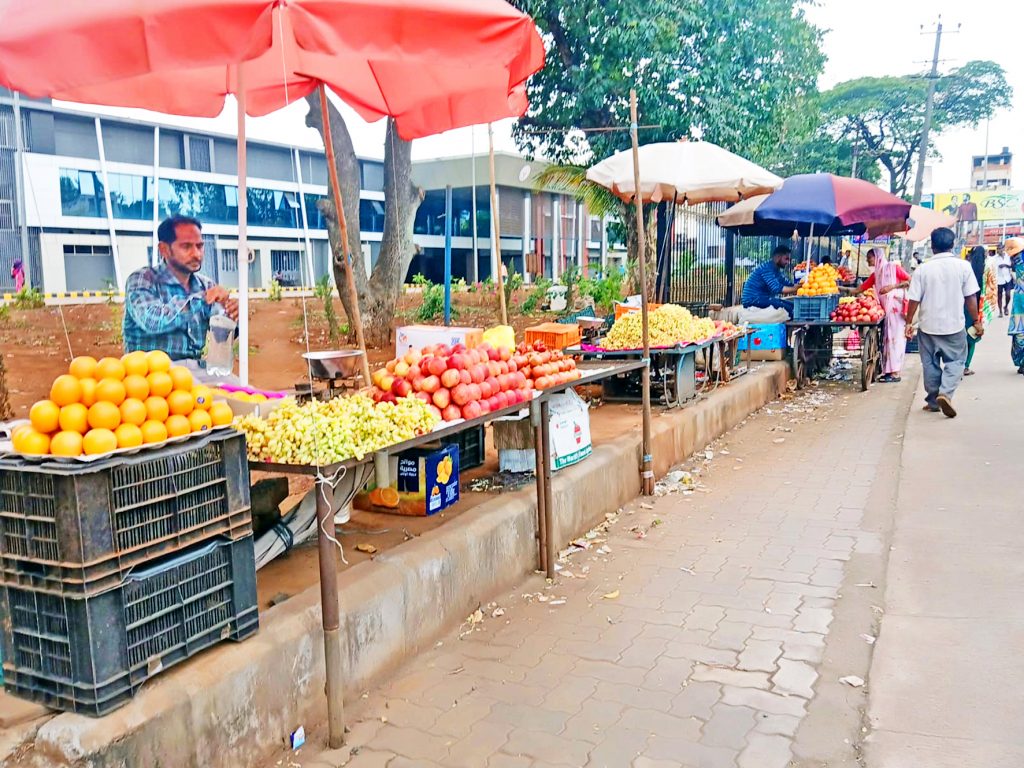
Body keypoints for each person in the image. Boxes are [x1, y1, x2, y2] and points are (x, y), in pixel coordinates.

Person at [123, 215, 239, 361]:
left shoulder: (205, 285)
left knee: (238, 384)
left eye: (199, 246)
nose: (196, 254)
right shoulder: (143, 279)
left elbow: (221, 337)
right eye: (186, 246)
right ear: (164, 249)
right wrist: (202, 299)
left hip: (192, 371)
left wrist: (230, 318)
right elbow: (152, 321)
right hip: (148, 373)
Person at [905, 227, 982, 418]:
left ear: (932, 246)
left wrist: (908, 323)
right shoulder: (964, 267)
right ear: (953, 244)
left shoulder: (923, 269)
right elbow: (971, 297)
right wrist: (976, 321)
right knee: (956, 361)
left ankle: (933, 401)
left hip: (928, 326)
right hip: (955, 326)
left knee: (930, 364)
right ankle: (945, 393)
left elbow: (913, 299)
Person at [853, 249, 910, 382]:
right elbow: (859, 289)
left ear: (877, 257)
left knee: (895, 339)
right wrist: (840, 289)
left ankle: (895, 373)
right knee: (887, 340)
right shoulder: (875, 275)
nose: (867, 261)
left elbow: (909, 280)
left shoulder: (893, 268)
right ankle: (888, 371)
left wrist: (892, 287)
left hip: (897, 309)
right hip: (886, 311)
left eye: (869, 258)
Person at [741, 245, 798, 318]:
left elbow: (785, 282)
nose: (788, 262)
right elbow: (777, 288)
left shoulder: (775, 269)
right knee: (789, 308)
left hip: (762, 298)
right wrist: (796, 289)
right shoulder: (767, 269)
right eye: (786, 259)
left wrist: (799, 286)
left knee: (793, 306)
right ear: (778, 257)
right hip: (753, 300)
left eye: (789, 259)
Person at [963, 246, 987, 376]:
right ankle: (965, 366)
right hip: (976, 308)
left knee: (962, 337)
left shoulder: (966, 269)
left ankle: (959, 364)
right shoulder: (985, 271)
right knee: (972, 337)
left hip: (963, 307)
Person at [1004, 237, 1024, 373]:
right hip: (1019, 299)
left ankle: (1021, 362)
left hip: (1019, 299)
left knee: (1019, 333)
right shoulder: (1019, 260)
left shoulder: (1016, 261)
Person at [995, 243, 1013, 316]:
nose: (999, 250)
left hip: (1007, 278)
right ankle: (1000, 311)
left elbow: (1012, 265)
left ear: (1003, 249)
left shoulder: (1008, 256)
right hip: (999, 279)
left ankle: (1006, 307)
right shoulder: (995, 258)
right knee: (999, 295)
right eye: (998, 249)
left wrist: (1005, 265)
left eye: (1000, 248)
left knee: (1008, 294)